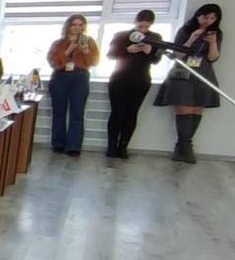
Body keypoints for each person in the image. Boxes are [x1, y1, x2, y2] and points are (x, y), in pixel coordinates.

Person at [155, 2, 223, 164]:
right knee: (184, 107)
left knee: (197, 109)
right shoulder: (185, 30)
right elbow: (177, 54)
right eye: (205, 17)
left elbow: (213, 57)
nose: (208, 21)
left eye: (212, 18)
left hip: (203, 73)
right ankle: (185, 148)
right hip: (183, 72)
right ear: (198, 16)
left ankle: (183, 147)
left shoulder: (216, 34)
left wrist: (213, 42)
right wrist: (192, 38)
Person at [106, 11, 165, 158]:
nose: (142, 30)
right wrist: (127, 50)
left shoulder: (155, 38)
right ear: (135, 22)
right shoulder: (121, 35)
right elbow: (110, 55)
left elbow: (157, 60)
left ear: (151, 24)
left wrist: (149, 51)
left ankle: (123, 147)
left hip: (141, 79)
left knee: (132, 113)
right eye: (140, 26)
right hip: (119, 78)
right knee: (117, 112)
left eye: (146, 27)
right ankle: (111, 147)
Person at [46, 14, 100, 156]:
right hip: (60, 76)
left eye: (80, 25)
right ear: (68, 26)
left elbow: (94, 62)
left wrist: (86, 51)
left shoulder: (89, 41)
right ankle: (58, 144)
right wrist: (69, 50)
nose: (77, 28)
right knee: (59, 112)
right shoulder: (58, 43)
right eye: (74, 24)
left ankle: (73, 146)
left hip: (80, 77)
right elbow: (53, 62)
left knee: (77, 113)